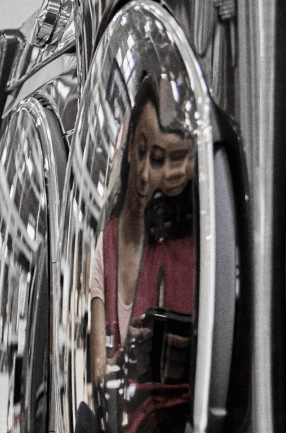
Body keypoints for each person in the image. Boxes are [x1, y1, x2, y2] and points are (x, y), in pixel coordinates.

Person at [85, 77, 197, 433]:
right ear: (129, 145)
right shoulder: (103, 245)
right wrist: (127, 355)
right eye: (143, 151)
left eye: (160, 159)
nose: (147, 173)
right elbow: (96, 374)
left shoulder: (182, 249)